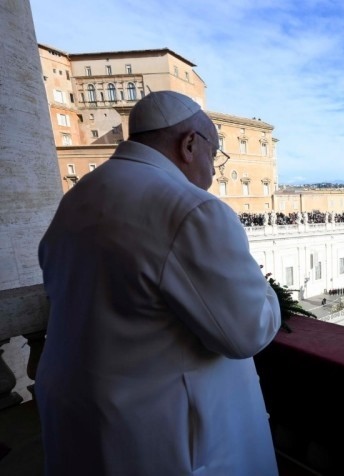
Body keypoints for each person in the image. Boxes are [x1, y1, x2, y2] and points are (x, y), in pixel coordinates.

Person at [36, 91, 283, 476]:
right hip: (163, 435)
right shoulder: (193, 210)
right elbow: (247, 332)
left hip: (81, 413)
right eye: (214, 155)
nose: (215, 170)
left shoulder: (79, 196)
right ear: (189, 144)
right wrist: (265, 287)